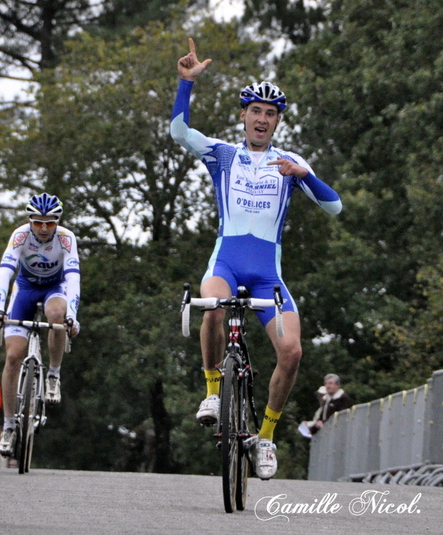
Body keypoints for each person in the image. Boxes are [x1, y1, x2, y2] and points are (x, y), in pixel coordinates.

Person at [171, 39, 342, 479]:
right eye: (255, 111)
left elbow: (334, 206)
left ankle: (265, 437)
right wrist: (185, 85)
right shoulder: (223, 155)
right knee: (212, 305)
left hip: (268, 276)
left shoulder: (289, 162)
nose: (262, 119)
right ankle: (212, 391)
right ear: (243, 116)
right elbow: (179, 133)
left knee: (292, 352)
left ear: (277, 122)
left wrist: (306, 176)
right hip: (226, 264)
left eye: (271, 113)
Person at [0, 193, 81, 456]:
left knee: (56, 316)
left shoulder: (66, 238)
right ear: (30, 220)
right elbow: (5, 272)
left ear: (57, 222)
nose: (43, 228)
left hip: (55, 287)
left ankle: (53, 374)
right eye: (38, 222)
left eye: (50, 223)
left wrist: (72, 314)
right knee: (13, 356)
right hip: (25, 289)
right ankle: (8, 426)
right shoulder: (20, 235)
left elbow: (73, 279)